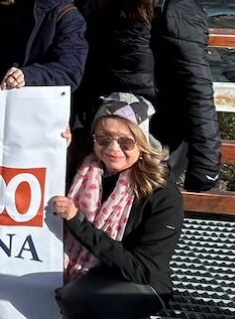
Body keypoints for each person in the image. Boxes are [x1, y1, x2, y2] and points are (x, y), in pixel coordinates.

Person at [72, 0, 219, 191]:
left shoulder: (172, 9)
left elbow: (196, 86)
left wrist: (206, 162)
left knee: (139, 219)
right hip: (100, 135)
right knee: (91, 213)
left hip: (151, 140)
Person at [50, 93, 183, 319]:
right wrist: (55, 145)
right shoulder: (80, 169)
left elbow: (141, 270)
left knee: (77, 298)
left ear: (143, 143)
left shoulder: (164, 196)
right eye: (103, 139)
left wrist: (77, 221)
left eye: (126, 142)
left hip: (141, 282)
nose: (113, 148)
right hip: (86, 273)